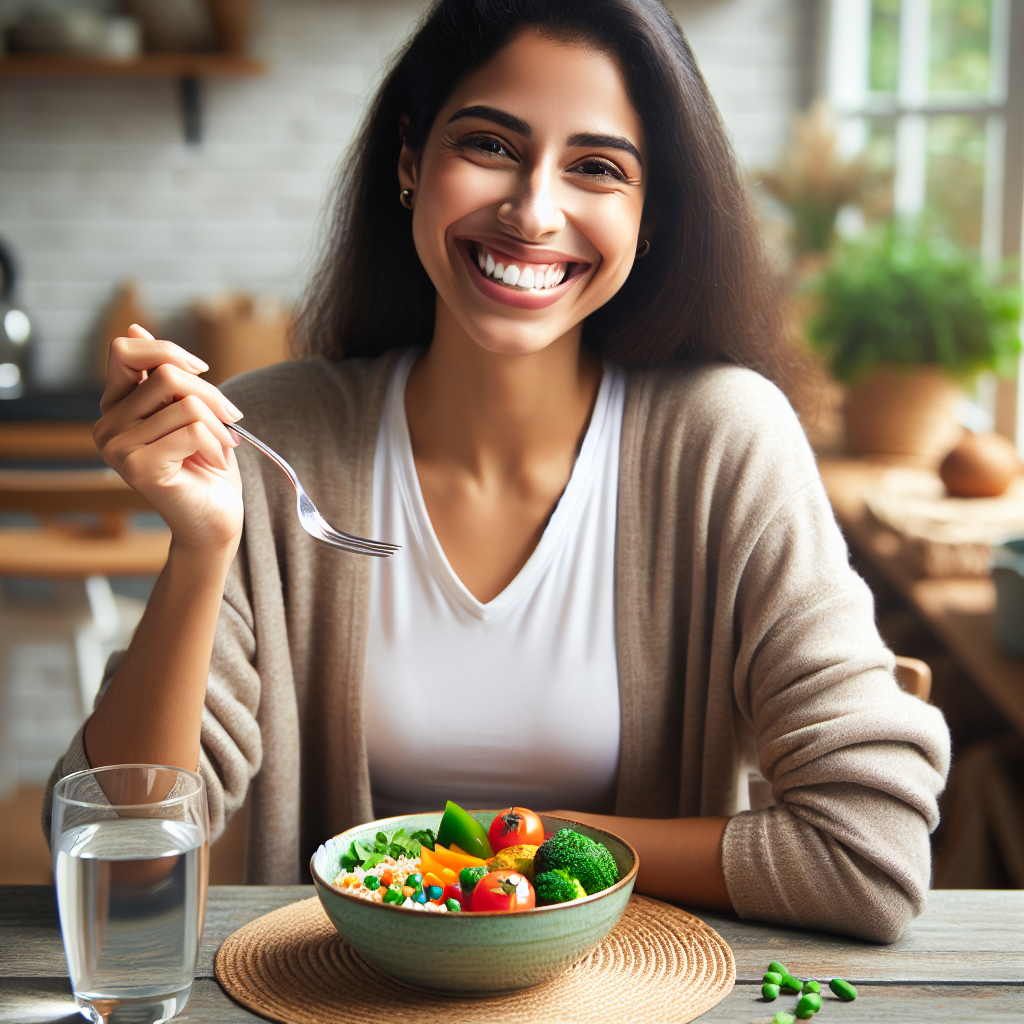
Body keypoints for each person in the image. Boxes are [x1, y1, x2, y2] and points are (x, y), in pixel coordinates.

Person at [44, 0, 949, 942]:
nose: (533, 211)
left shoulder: (723, 440)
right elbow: (124, 857)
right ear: (410, 161)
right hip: (347, 1000)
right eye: (489, 145)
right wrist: (203, 547)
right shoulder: (278, 437)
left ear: (650, 213)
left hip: (641, 997)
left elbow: (867, 854)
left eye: (597, 167)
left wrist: (499, 851)